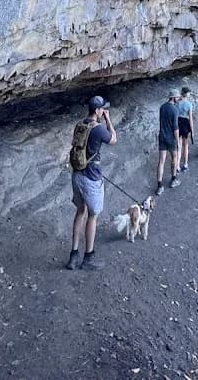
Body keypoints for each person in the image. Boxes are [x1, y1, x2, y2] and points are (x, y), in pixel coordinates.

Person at [67, 95, 117, 271]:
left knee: (80, 211)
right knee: (93, 215)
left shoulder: (80, 125)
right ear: (97, 111)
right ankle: (88, 256)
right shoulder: (98, 129)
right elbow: (113, 139)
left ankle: (73, 255)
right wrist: (108, 120)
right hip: (91, 177)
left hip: (77, 174)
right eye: (102, 109)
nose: (104, 111)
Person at [156, 88, 181, 195]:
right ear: (173, 97)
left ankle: (159, 186)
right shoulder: (175, 110)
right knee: (174, 157)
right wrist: (178, 142)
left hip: (162, 136)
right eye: (177, 97)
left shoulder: (162, 107)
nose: (178, 98)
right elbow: (175, 128)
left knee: (161, 161)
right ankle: (173, 179)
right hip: (171, 138)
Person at [177, 86, 195, 171]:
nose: (190, 94)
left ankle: (177, 165)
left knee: (179, 145)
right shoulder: (189, 104)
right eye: (189, 93)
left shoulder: (177, 102)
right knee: (186, 145)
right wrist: (192, 130)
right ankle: (185, 164)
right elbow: (190, 118)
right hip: (185, 123)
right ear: (186, 93)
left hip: (178, 122)